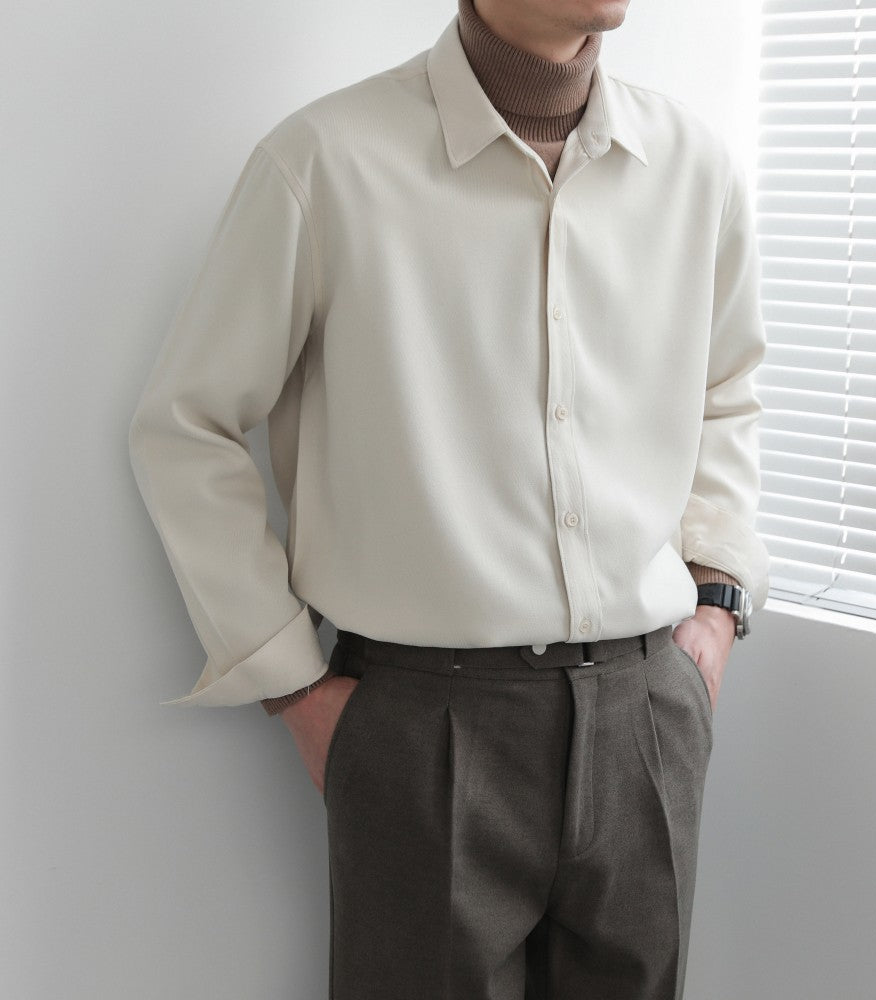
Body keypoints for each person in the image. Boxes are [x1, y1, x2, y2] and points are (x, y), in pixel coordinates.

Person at [127, 0, 769, 996]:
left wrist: (716, 604)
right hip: (424, 725)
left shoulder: (694, 168)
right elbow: (186, 424)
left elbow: (729, 391)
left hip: (647, 713)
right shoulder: (325, 162)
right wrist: (292, 684)